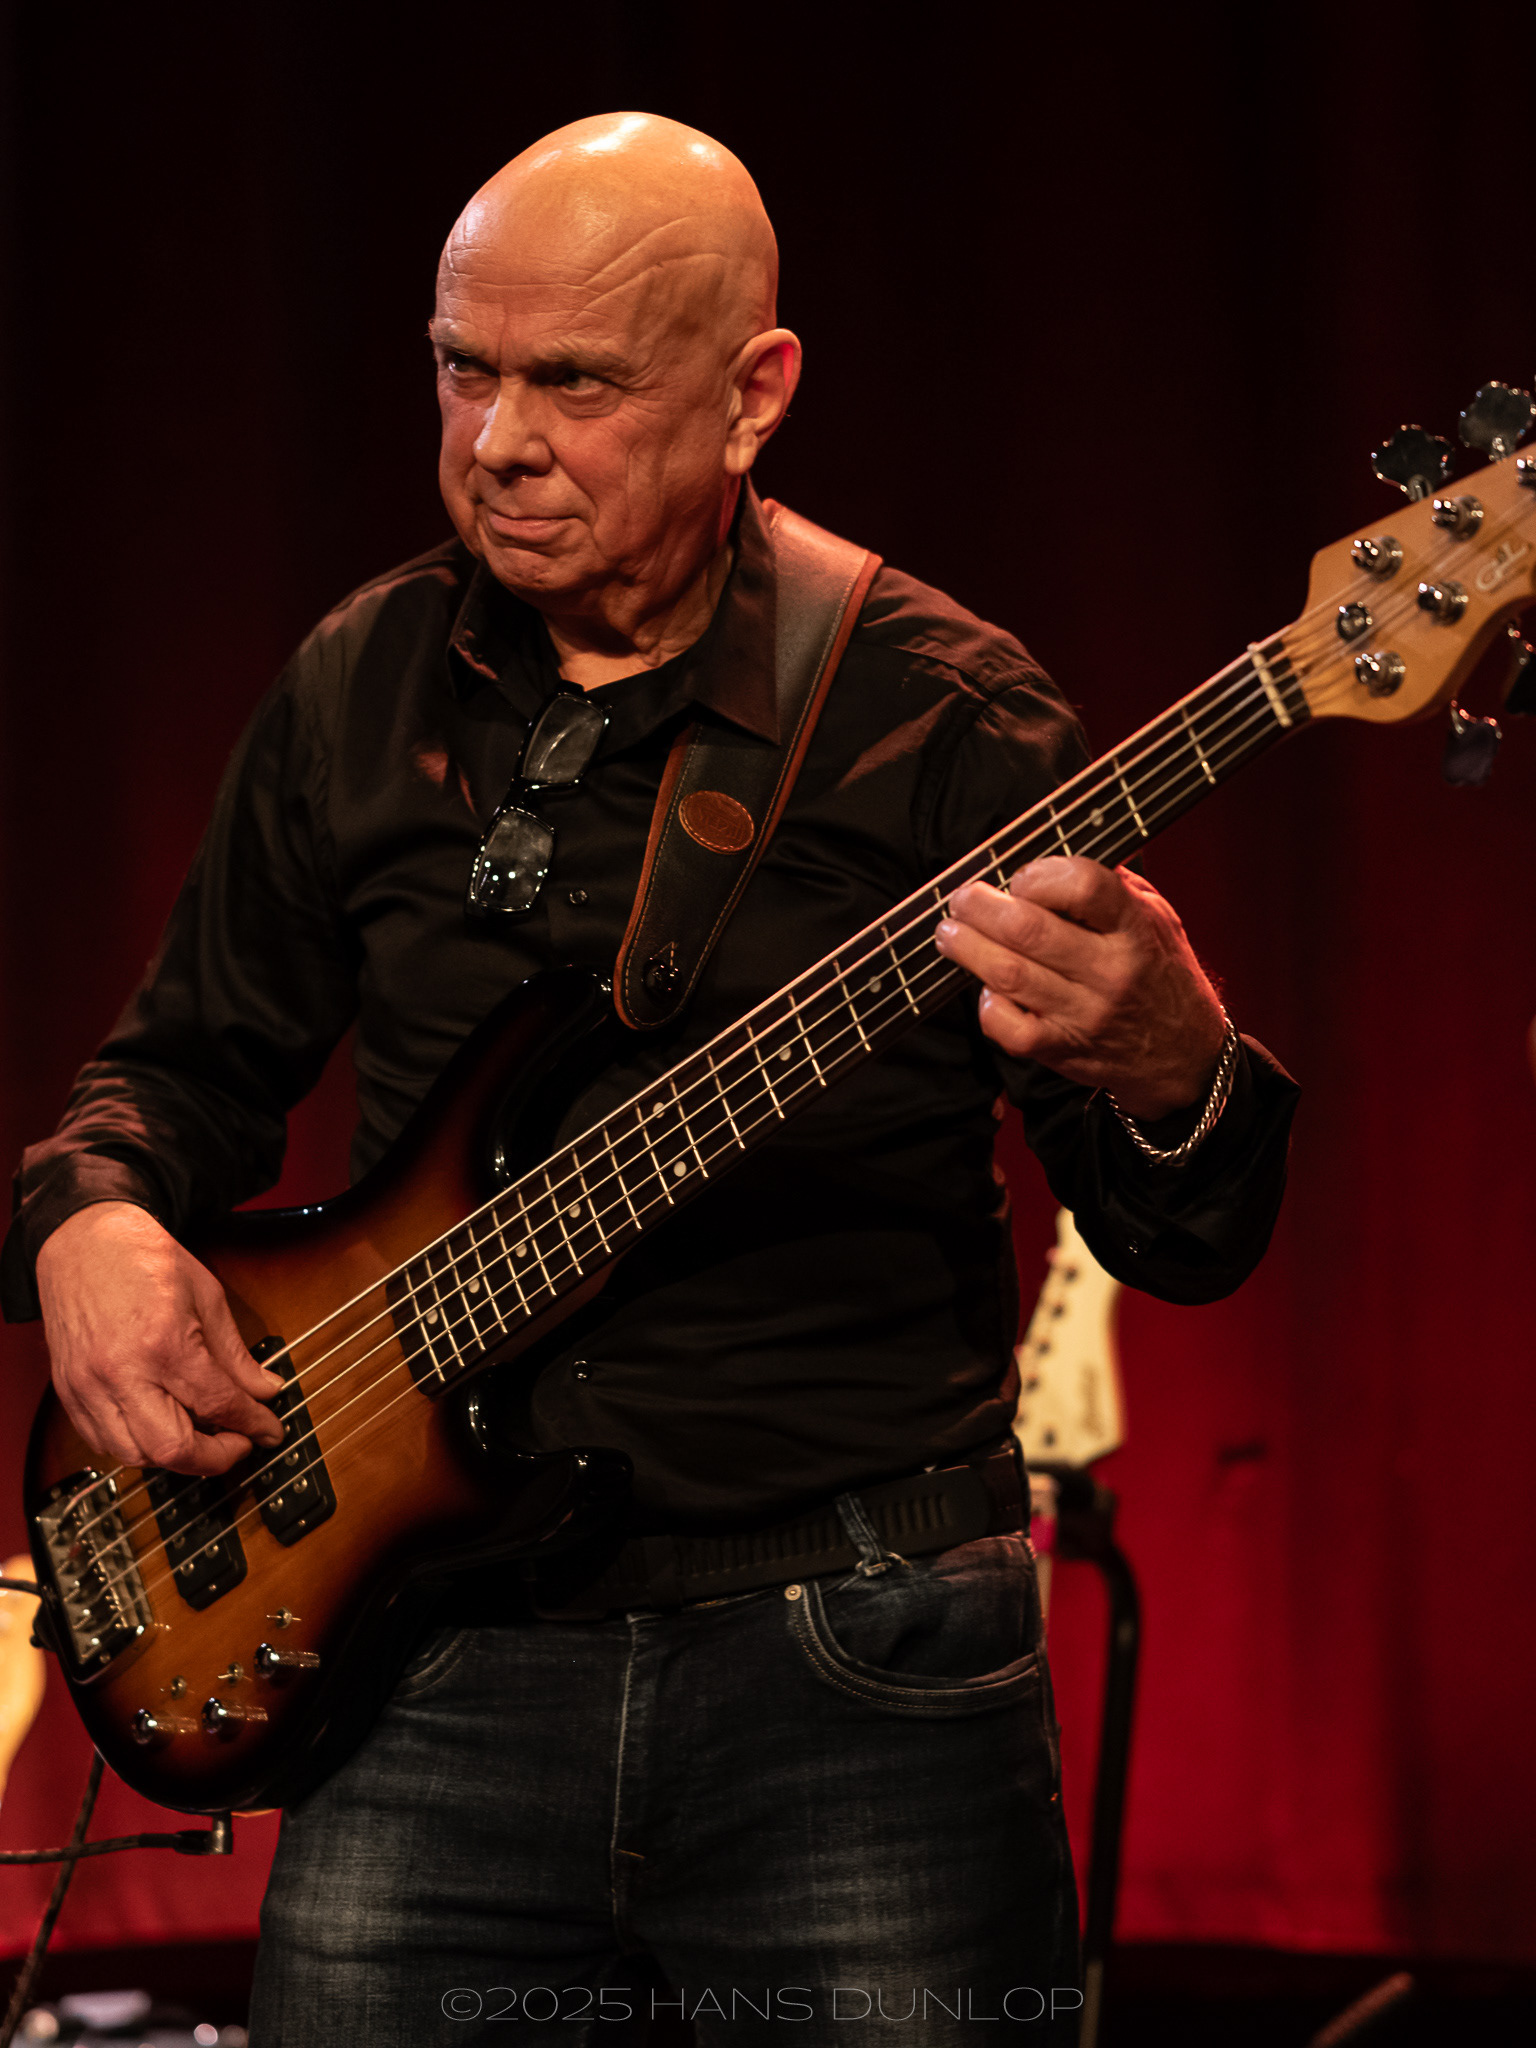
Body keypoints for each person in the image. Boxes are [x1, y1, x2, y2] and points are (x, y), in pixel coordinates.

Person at [4, 115, 1297, 2043]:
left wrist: (1178, 1065)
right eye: (464, 368)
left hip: (854, 1674)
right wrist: (91, 1222)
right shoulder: (364, 678)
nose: (499, 439)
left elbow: (1180, 1240)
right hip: (429, 1663)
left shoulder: (943, 714)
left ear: (754, 393)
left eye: (577, 384)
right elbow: (178, 1068)